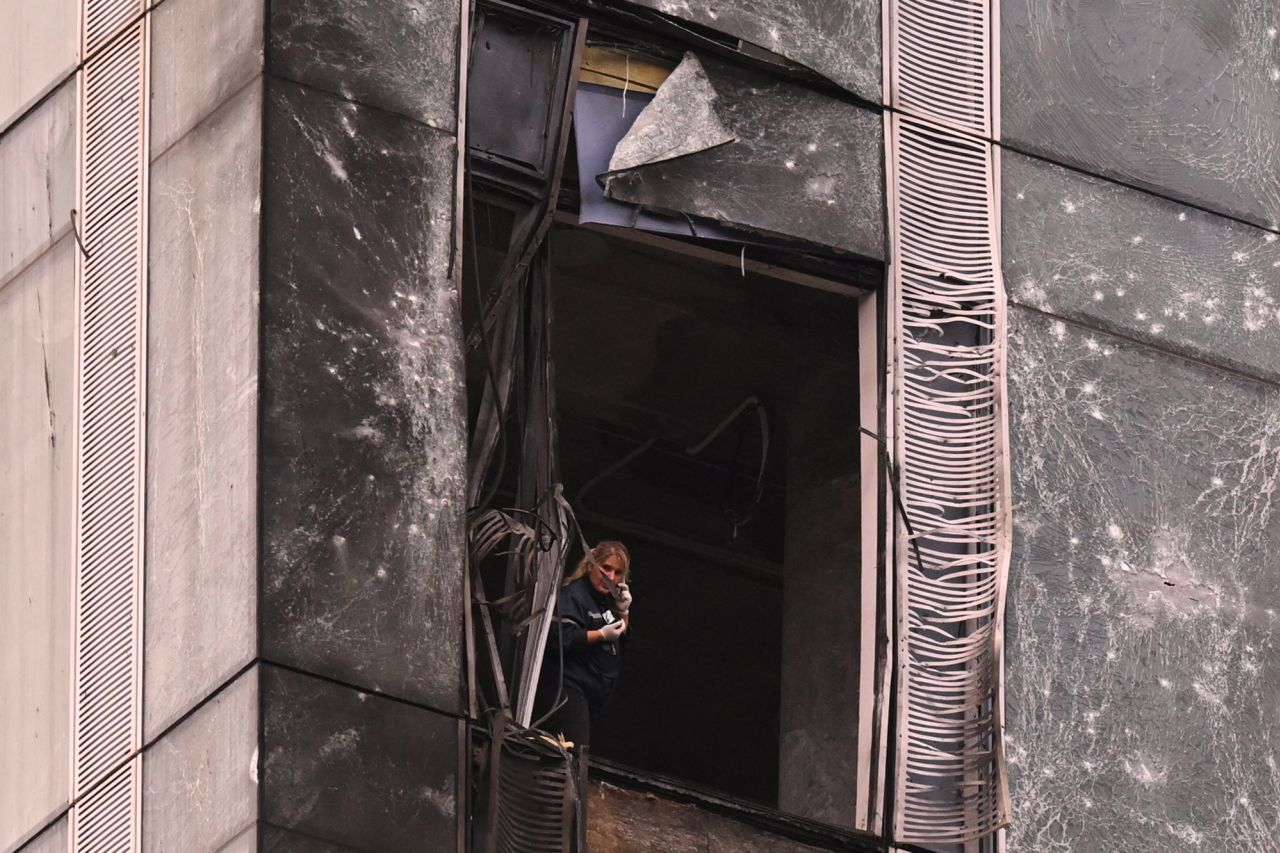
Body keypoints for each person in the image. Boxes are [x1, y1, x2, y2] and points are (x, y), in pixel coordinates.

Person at [534, 540, 632, 750]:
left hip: (591, 694)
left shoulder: (605, 600)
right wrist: (600, 635)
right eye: (606, 568)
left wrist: (624, 612)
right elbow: (561, 637)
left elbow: (620, 636)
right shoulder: (576, 594)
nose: (610, 577)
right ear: (591, 565)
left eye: (618, 572)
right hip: (568, 689)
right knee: (573, 755)